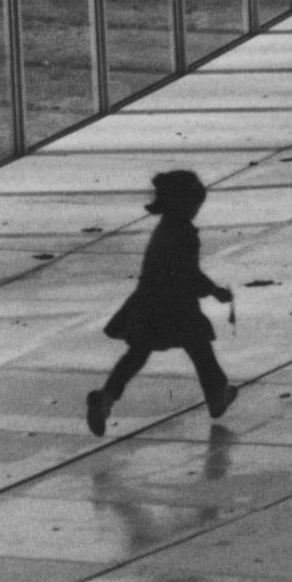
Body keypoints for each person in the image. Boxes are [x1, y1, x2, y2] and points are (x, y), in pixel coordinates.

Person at [87, 168, 236, 431]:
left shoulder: (164, 229)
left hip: (148, 301)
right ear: (186, 204)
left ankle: (106, 396)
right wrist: (214, 291)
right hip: (178, 305)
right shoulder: (186, 234)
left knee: (137, 353)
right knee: (200, 349)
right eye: (195, 205)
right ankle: (217, 395)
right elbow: (189, 273)